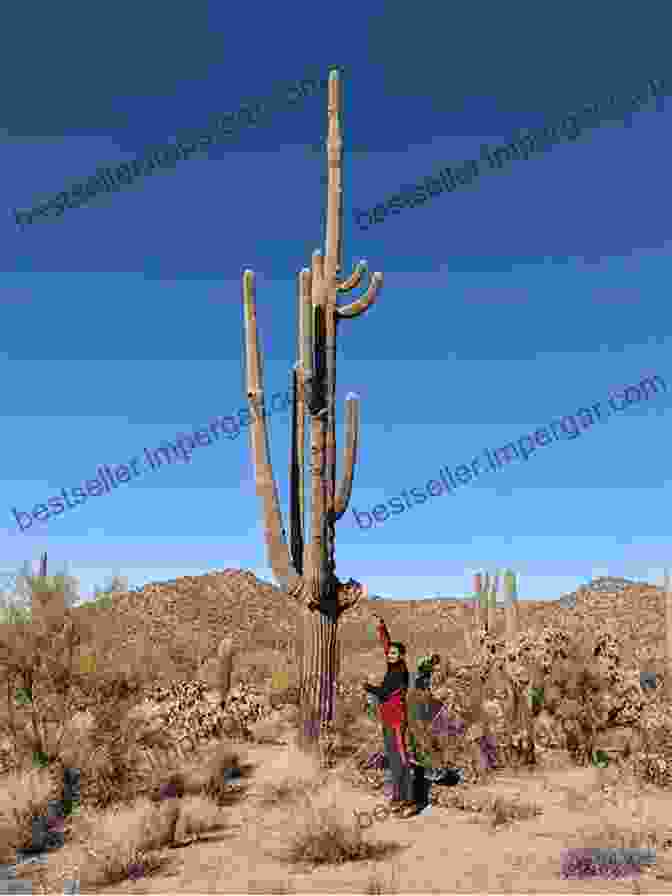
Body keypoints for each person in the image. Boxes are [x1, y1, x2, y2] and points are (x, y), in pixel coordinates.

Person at [362, 615, 418, 819]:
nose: (390, 655)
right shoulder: (392, 666)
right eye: (390, 653)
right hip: (387, 720)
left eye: (395, 653)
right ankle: (397, 797)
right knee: (394, 760)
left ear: (402, 656)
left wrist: (368, 686)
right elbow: (387, 647)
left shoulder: (400, 672)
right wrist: (381, 629)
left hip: (396, 722)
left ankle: (410, 800)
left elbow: (384, 692)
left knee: (402, 760)